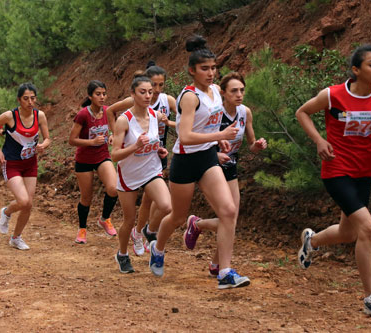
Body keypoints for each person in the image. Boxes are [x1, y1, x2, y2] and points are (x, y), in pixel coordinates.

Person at [296, 44, 371, 318]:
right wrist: (319, 140)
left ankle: (312, 241)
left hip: (364, 171)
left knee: (349, 233)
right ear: (356, 70)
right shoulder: (333, 95)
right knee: (368, 229)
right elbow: (302, 112)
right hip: (336, 169)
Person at [151, 35, 250, 289]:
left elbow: (211, 124)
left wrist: (219, 144)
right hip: (185, 160)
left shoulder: (217, 92)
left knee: (228, 211)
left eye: (213, 68)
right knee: (177, 216)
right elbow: (184, 136)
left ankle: (225, 272)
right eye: (204, 69)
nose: (210, 73)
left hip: (207, 157)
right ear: (192, 71)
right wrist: (220, 136)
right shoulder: (189, 97)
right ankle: (158, 248)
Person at [185, 72, 267, 277]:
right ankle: (217, 260)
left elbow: (250, 144)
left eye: (242, 90)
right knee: (227, 217)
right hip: (208, 165)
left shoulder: (245, 113)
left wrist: (257, 145)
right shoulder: (214, 111)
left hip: (231, 167)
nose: (239, 94)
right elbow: (198, 138)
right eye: (234, 91)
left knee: (231, 219)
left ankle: (213, 258)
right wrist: (215, 153)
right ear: (223, 93)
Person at [108, 61, 177, 256]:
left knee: (166, 206)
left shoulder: (156, 115)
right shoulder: (124, 120)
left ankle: (144, 231)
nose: (149, 95)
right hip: (129, 173)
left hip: (151, 168)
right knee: (128, 219)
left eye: (152, 91)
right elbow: (114, 155)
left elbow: (156, 138)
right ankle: (122, 254)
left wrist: (159, 150)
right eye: (144, 92)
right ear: (132, 94)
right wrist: (135, 145)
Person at [0, 83, 51, 250]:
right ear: (19, 99)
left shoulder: (40, 115)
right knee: (23, 200)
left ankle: (16, 238)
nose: (30, 101)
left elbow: (48, 138)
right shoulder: (10, 116)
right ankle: (6, 212)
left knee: (28, 204)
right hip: (12, 163)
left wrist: (43, 145)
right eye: (26, 98)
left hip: (30, 163)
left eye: (33, 98)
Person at [68, 80, 119, 244]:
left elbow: (115, 130)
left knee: (114, 188)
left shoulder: (108, 111)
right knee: (86, 197)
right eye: (98, 94)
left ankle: (105, 219)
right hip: (84, 160)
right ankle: (82, 229)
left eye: (104, 94)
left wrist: (112, 136)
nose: (102, 97)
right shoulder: (83, 114)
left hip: (102, 156)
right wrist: (91, 142)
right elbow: (72, 140)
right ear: (90, 96)